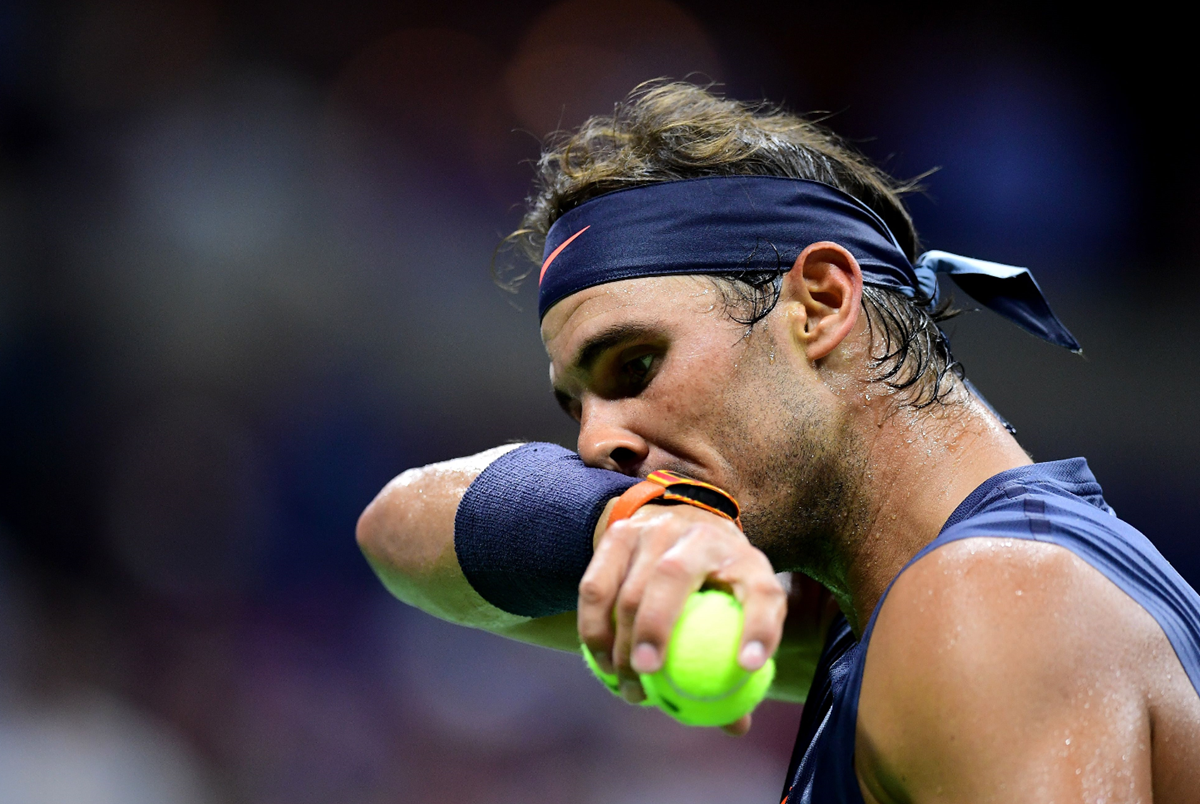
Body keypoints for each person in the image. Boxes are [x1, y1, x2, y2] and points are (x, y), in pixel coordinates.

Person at [356, 82, 1200, 802]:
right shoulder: (912, 603)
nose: (596, 444)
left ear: (823, 304)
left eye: (636, 363)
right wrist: (633, 520)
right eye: (574, 408)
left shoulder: (990, 602)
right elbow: (397, 530)